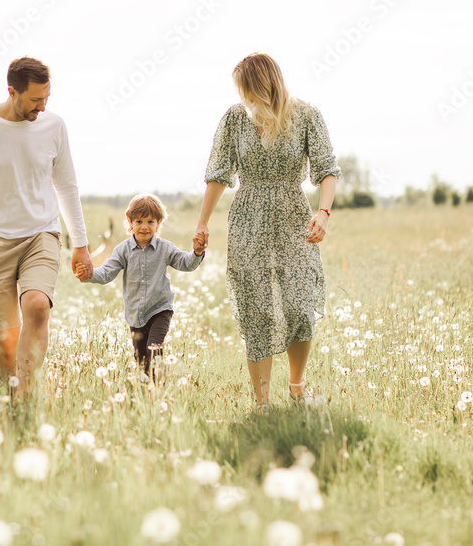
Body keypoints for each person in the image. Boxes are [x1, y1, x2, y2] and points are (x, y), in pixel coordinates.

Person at [194, 53, 341, 412]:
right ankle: (262, 405)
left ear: (264, 83)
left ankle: (297, 388)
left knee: (300, 304)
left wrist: (324, 212)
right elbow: (218, 173)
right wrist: (202, 222)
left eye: (247, 89)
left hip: (294, 217)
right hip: (248, 217)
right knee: (256, 310)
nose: (243, 96)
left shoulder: (306, 115)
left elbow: (327, 169)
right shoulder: (234, 118)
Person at [0, 56, 93, 396]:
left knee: (38, 305)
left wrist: (81, 243)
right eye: (35, 99)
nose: (42, 106)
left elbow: (67, 185)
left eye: (47, 97)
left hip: (40, 233)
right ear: (12, 91)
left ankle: (25, 399)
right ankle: (12, 396)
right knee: (5, 341)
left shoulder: (54, 126)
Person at [76, 194, 205, 380]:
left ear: (158, 223)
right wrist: (88, 274)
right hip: (135, 315)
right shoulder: (123, 250)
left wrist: (197, 252)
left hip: (160, 310)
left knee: (154, 351)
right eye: (139, 221)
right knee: (141, 360)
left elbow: (186, 263)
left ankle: (158, 391)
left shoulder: (165, 248)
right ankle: (145, 393)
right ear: (130, 222)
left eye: (150, 221)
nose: (144, 226)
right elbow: (106, 273)